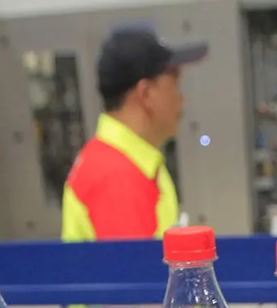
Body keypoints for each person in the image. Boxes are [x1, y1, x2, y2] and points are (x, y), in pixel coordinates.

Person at [62, 27, 206, 242]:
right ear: (146, 93)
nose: (181, 99)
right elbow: (138, 273)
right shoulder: (117, 180)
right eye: (175, 85)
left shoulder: (133, 162)